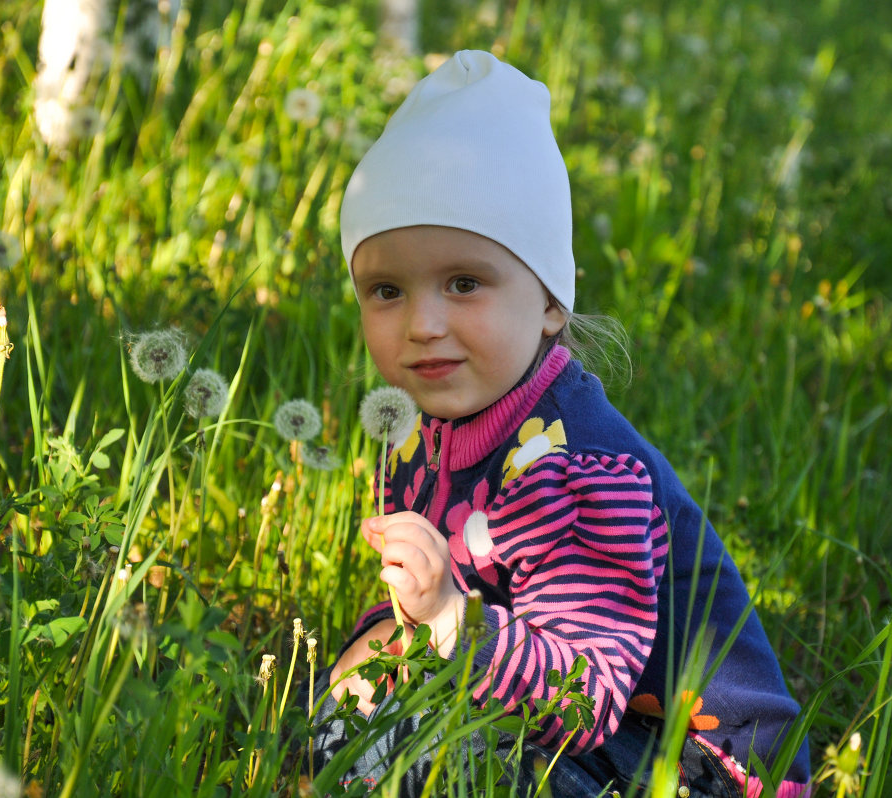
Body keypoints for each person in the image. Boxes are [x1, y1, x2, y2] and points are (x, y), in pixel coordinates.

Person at [308, 49, 812, 797]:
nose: (423, 323)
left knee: (446, 764)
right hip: (546, 703)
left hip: (690, 762)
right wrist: (385, 638)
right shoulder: (423, 430)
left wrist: (450, 622)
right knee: (348, 719)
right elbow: (440, 589)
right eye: (387, 289)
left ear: (549, 301)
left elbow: (580, 699)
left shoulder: (577, 473)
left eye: (464, 282)